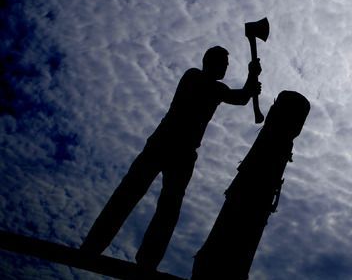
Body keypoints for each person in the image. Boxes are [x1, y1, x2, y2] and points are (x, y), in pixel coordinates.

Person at [81, 46, 262, 270]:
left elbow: (241, 98)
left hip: (184, 154)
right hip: (163, 142)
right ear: (210, 62)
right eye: (223, 63)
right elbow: (238, 96)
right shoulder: (194, 77)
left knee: (168, 208)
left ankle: (147, 262)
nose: (226, 66)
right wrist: (250, 83)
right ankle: (93, 246)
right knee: (129, 193)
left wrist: (252, 77)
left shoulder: (216, 88)